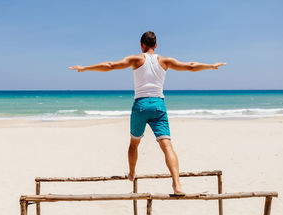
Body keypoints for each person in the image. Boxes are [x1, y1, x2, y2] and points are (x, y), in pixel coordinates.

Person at [69, 31, 226, 195]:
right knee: (167, 146)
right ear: (156, 45)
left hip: (141, 105)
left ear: (141, 45)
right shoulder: (165, 61)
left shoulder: (136, 59)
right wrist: (210, 66)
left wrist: (85, 68)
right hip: (158, 105)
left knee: (134, 143)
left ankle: (131, 173)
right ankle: (177, 184)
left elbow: (110, 65)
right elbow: (190, 66)